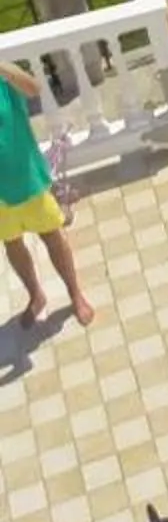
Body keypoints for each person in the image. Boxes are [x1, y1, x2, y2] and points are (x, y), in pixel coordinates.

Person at [1, 61, 91, 327]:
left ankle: (75, 294)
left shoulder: (6, 83)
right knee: (12, 245)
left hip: (29, 182)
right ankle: (36, 296)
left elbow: (34, 88)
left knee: (52, 235)